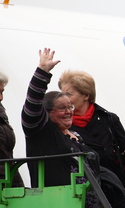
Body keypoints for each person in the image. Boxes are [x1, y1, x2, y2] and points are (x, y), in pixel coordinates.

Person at [59, 68, 125, 208]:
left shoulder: (109, 120)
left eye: (69, 94)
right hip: (83, 195)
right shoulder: (61, 125)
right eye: (62, 94)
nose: (64, 99)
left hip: (114, 192)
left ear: (86, 95)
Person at [21, 49, 100, 195]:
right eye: (62, 108)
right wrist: (42, 71)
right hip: (58, 206)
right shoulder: (42, 132)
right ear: (47, 113)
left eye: (70, 106)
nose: (69, 111)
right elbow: (32, 105)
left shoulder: (75, 136)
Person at [0, 70, 26, 188]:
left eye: (2, 92)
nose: (1, 98)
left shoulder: (2, 114)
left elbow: (7, 156)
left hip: (7, 183)